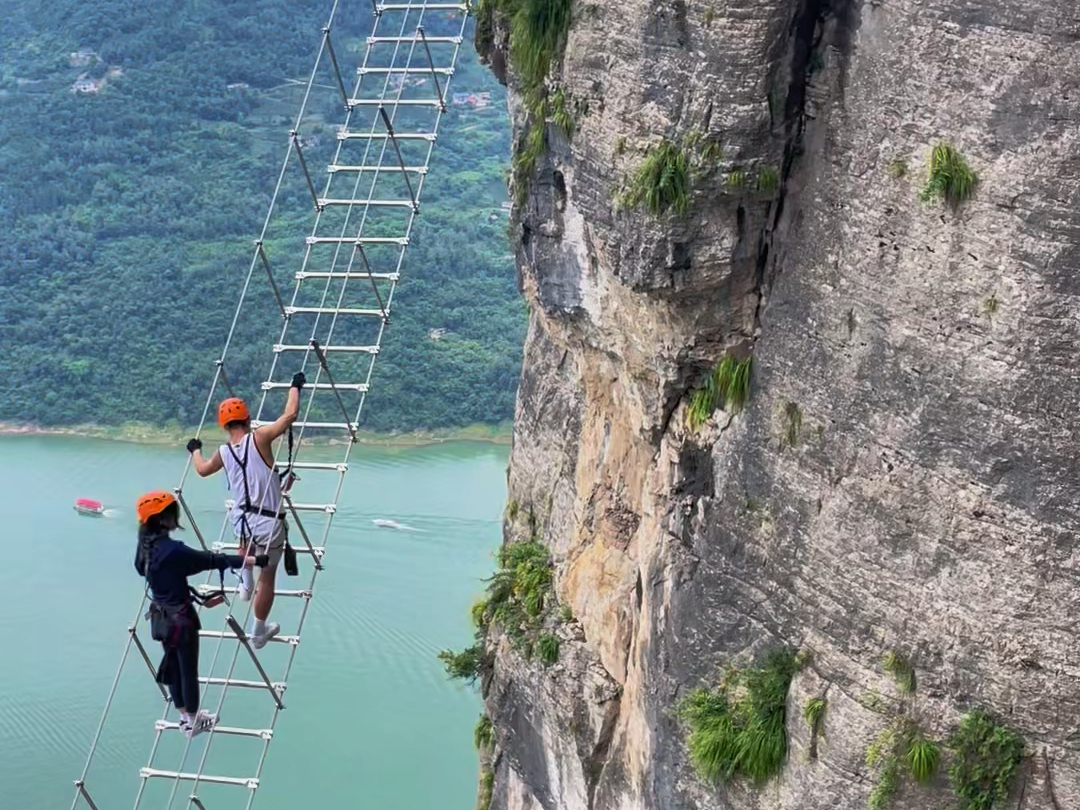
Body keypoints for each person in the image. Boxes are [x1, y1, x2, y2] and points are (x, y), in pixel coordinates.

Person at [185, 371, 305, 649]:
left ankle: (244, 581)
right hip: (268, 524)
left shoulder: (225, 452)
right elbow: (289, 417)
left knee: (246, 546)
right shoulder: (260, 437)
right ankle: (259, 631)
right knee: (270, 576)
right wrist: (295, 387)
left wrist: (194, 450)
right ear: (248, 419)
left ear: (225, 426)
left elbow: (202, 470)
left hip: (242, 520)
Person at [135, 490, 266, 739]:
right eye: (173, 513)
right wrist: (252, 561)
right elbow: (210, 560)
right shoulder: (173, 550)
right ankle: (194, 721)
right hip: (181, 620)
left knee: (172, 666)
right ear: (163, 519)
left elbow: (144, 570)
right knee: (187, 670)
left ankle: (185, 717)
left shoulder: (145, 549)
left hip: (160, 619)